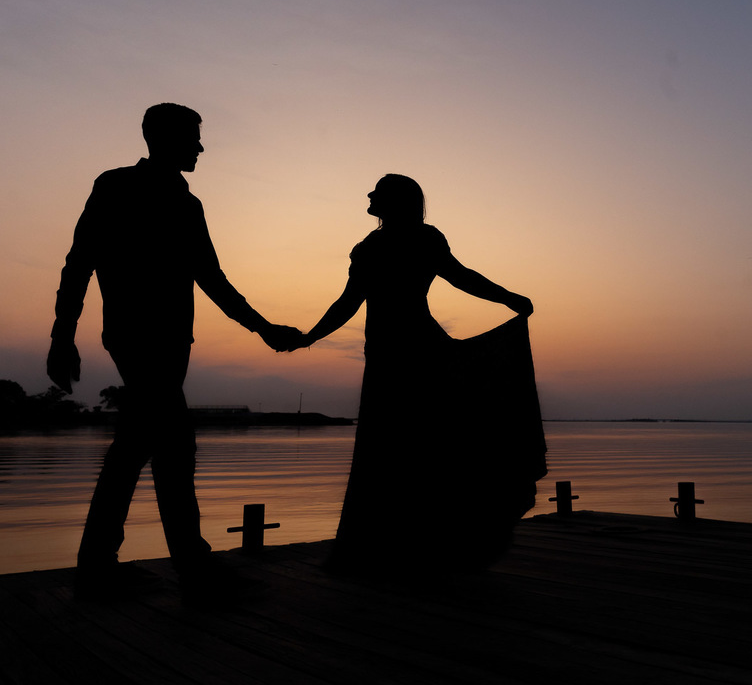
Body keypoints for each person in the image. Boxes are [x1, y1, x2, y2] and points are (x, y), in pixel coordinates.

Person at [47, 103, 302, 602]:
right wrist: (62, 335)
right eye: (193, 137)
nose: (201, 147)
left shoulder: (188, 203)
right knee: (172, 445)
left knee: (140, 446)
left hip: (173, 340)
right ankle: (187, 566)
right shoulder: (115, 186)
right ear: (161, 138)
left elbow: (211, 278)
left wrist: (262, 328)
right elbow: (80, 261)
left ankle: (102, 565)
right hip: (135, 336)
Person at [291, 174, 546, 573]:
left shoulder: (411, 242)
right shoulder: (374, 247)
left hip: (411, 351)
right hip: (392, 354)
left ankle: (419, 542)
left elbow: (461, 277)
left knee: (410, 442)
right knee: (400, 443)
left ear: (396, 200)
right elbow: (348, 303)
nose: (369, 195)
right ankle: (405, 543)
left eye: (378, 191)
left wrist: (508, 297)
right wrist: (310, 337)